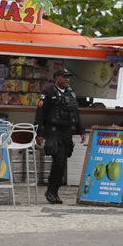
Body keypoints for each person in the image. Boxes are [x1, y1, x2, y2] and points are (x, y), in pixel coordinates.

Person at [35, 68, 86, 204]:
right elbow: (40, 113)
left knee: (63, 161)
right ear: (57, 78)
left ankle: (53, 191)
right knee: (59, 159)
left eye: (68, 77)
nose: (67, 80)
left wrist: (81, 130)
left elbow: (76, 112)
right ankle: (51, 190)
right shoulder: (48, 91)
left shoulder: (71, 92)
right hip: (53, 130)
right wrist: (39, 133)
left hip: (66, 131)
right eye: (65, 77)